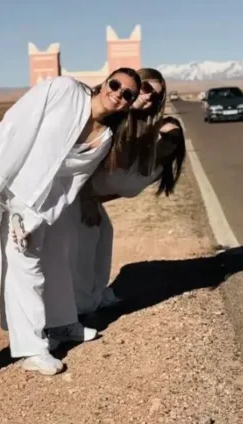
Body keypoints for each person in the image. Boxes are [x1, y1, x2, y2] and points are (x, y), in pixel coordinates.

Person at [0, 70, 141, 375]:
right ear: (104, 84)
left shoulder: (104, 140)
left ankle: (32, 349)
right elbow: (18, 126)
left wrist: (35, 219)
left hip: (30, 204)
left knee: (29, 271)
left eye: (128, 94)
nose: (119, 94)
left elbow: (68, 187)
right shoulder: (64, 90)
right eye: (116, 85)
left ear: (129, 104)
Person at [42, 68, 171, 342]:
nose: (148, 98)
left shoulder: (133, 124)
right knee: (81, 239)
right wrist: (87, 198)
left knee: (103, 232)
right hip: (61, 184)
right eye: (146, 89)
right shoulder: (110, 114)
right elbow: (83, 157)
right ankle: (65, 314)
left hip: (81, 190)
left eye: (155, 97)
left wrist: (94, 199)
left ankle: (92, 297)